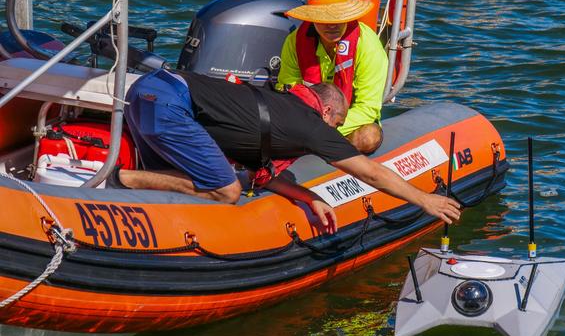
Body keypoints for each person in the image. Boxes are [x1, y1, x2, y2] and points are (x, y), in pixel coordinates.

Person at [117, 69, 461, 234]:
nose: (335, 130)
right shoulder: (312, 125)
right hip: (168, 105)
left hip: (146, 89)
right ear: (326, 112)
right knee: (227, 190)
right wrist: (425, 200)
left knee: (196, 179)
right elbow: (369, 172)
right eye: (337, 123)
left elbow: (261, 175)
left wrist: (306, 196)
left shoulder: (279, 103)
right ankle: (125, 178)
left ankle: (126, 186)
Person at [277, 0, 388, 154]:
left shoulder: (368, 45)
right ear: (312, 18)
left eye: (338, 17)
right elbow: (286, 90)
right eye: (324, 18)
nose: (332, 25)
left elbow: (367, 108)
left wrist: (323, 130)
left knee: (369, 137)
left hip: (343, 125)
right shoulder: (294, 42)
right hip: (303, 123)